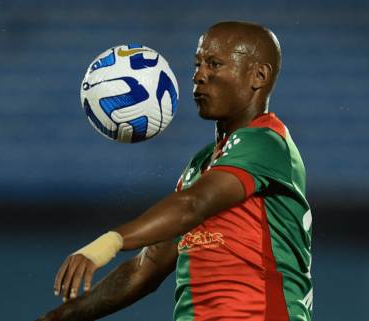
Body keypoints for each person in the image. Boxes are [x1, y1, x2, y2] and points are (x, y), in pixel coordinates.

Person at [36, 21, 313, 321]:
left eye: (214, 64)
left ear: (259, 76)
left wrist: (112, 241)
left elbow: (193, 205)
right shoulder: (201, 165)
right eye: (197, 63)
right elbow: (144, 272)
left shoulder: (267, 142)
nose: (198, 76)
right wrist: (60, 316)